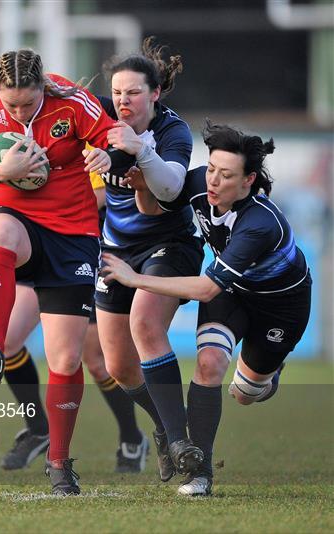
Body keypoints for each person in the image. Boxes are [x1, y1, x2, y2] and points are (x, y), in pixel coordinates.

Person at [101, 121, 312, 496]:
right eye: (211, 169)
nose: (213, 181)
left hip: (281, 307)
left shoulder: (260, 224)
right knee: (209, 363)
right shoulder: (200, 183)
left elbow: (205, 287)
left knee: (246, 393)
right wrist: (142, 183)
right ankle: (199, 475)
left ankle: (267, 372)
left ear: (248, 181)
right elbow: (155, 204)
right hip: (232, 295)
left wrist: (134, 279)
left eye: (226, 175)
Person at [0, 48, 117, 495]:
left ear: (44, 87)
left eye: (28, 103)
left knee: (65, 359)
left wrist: (110, 159)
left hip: (72, 232)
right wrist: (1, 170)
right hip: (15, 218)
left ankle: (60, 463)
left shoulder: (72, 101)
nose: (19, 111)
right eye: (11, 104)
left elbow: (115, 139)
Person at [94, 37, 205, 482]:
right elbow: (55, 92)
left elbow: (171, 190)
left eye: (134, 92)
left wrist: (142, 150)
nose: (124, 100)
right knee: (117, 366)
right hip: (116, 250)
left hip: (170, 246)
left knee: (144, 323)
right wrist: (23, 78)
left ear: (155, 93)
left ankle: (181, 442)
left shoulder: (171, 131)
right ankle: (164, 427)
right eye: (118, 92)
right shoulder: (100, 118)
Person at [0, 175, 147, 473]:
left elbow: (100, 195)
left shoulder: (92, 135)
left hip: (83, 248)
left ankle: (132, 438)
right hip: (44, 245)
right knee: (6, 341)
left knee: (96, 361)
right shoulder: (38, 133)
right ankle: (39, 428)